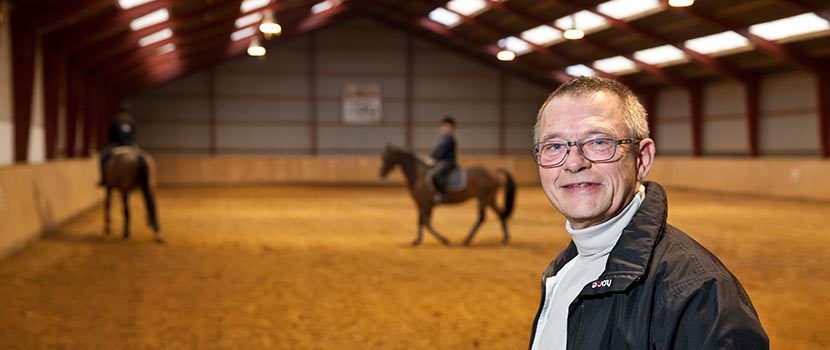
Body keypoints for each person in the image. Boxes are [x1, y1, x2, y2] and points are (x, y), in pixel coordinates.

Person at [527, 76, 768, 349]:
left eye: (598, 142)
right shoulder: (563, 269)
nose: (573, 163)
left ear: (642, 159)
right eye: (554, 146)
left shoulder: (698, 292)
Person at [98, 104, 137, 186]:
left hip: (129, 144)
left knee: (140, 156)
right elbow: (111, 135)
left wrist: (129, 142)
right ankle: (104, 178)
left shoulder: (132, 123)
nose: (125, 115)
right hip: (116, 144)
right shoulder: (115, 123)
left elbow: (133, 135)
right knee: (103, 156)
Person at [428, 116, 458, 203]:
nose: (443, 127)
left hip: (448, 162)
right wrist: (431, 157)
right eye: (443, 126)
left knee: (436, 174)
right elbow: (437, 150)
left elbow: (442, 151)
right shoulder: (444, 138)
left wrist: (434, 159)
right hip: (442, 161)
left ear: (450, 127)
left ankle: (443, 194)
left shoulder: (449, 138)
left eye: (445, 126)